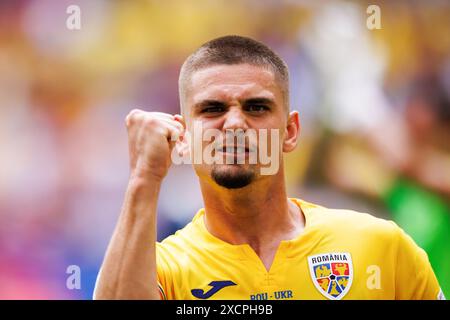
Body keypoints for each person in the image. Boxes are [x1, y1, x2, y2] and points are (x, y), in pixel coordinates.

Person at [93, 35, 444, 300]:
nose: (233, 124)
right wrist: (144, 178)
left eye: (256, 108)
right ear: (183, 137)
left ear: (290, 132)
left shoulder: (381, 246)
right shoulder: (165, 270)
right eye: (212, 109)